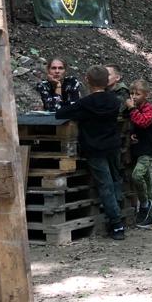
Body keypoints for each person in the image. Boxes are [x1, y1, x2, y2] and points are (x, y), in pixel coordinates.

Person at [56, 66, 126, 240]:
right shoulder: (114, 101)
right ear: (107, 81)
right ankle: (118, 215)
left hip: (94, 149)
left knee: (105, 185)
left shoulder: (85, 103)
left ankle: (116, 223)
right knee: (115, 180)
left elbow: (60, 113)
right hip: (113, 146)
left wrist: (59, 92)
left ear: (87, 80)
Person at [126, 79, 152, 227]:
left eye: (137, 94)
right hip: (138, 149)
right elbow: (135, 126)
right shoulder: (134, 108)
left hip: (148, 149)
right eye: (132, 93)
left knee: (137, 175)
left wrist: (132, 110)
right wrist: (132, 134)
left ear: (147, 95)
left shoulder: (149, 109)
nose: (134, 96)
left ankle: (145, 204)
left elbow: (143, 122)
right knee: (147, 181)